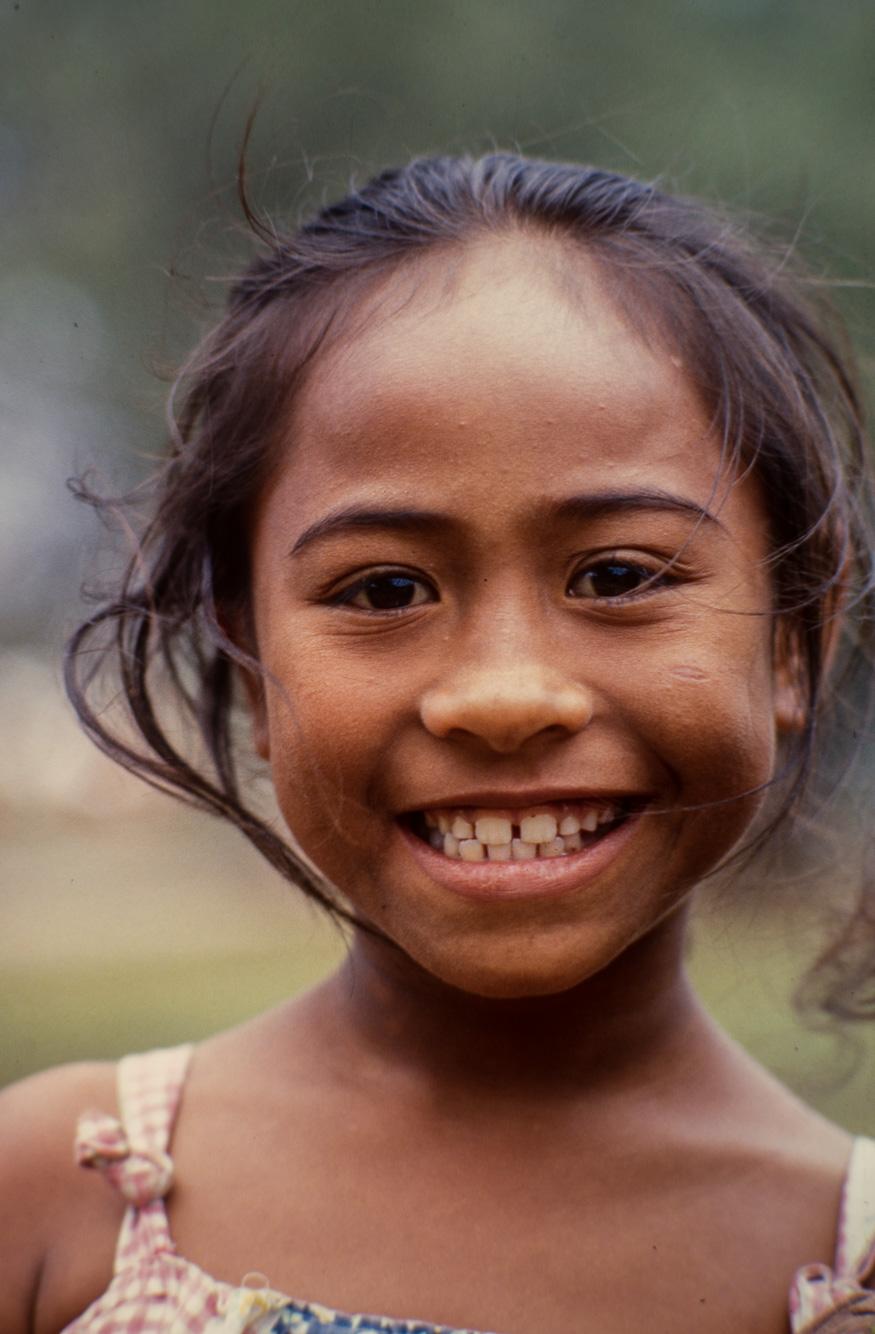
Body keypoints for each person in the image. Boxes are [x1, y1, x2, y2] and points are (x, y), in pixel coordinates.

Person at [1, 153, 874, 1334]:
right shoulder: (62, 1201)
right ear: (250, 657)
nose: (503, 697)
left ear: (793, 641)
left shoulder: (844, 1265)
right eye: (382, 589)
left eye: (616, 574)